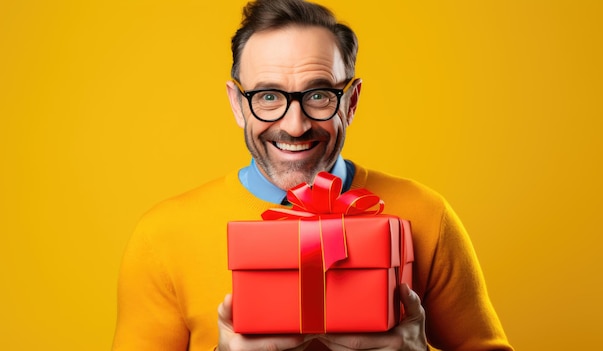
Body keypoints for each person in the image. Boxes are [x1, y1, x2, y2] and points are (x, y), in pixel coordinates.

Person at [112, 0, 514, 350]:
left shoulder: (427, 216)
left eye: (318, 94)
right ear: (237, 104)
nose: (295, 124)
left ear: (351, 101)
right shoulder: (163, 235)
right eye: (268, 96)